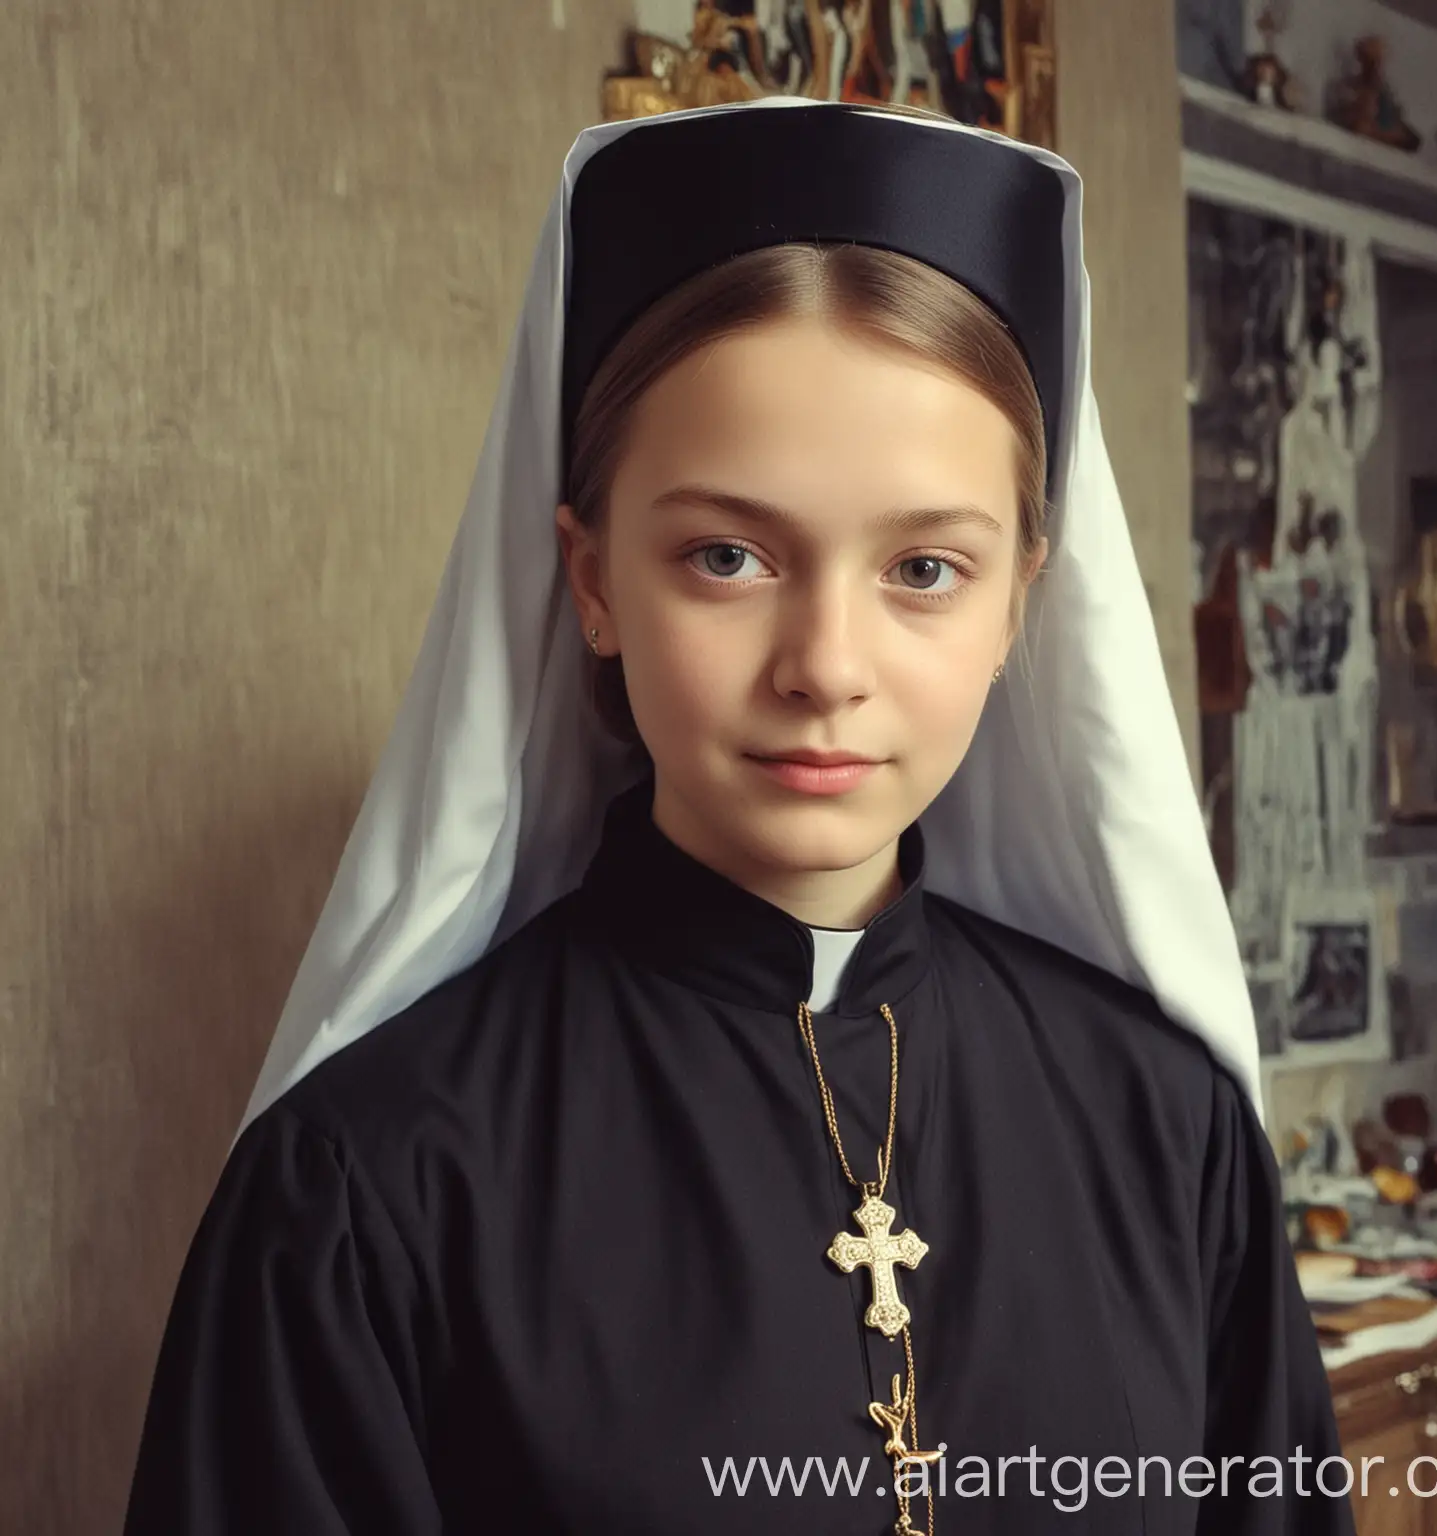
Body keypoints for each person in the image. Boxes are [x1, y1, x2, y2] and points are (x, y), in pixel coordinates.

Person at [123, 99, 1351, 1535]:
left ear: (1025, 595)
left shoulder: (1170, 1125)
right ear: (589, 580)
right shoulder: (365, 1188)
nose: (825, 666)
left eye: (926, 570)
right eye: (727, 554)